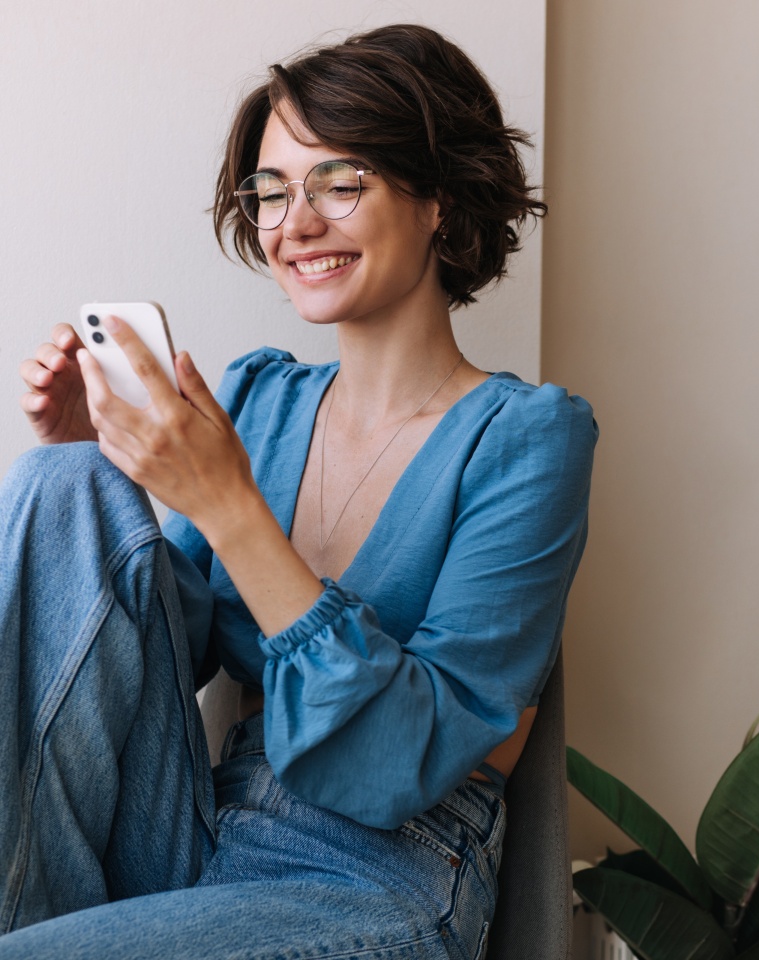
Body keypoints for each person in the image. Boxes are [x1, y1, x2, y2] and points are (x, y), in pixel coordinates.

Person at [2, 23, 596, 960]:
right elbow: (164, 652)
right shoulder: (259, 399)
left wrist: (230, 505)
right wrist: (103, 477)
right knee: (58, 482)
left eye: (339, 182)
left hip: (377, 871)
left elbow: (407, 760)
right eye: (273, 192)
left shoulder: (527, 439)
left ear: (437, 197)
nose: (296, 224)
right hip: (198, 827)